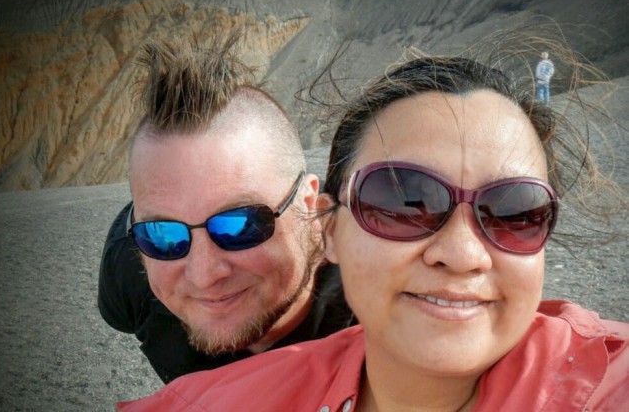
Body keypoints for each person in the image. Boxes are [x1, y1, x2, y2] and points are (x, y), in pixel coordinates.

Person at [117, 45, 628, 411]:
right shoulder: (126, 281)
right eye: (404, 202)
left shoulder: (605, 380)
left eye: (514, 210)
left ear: (321, 223)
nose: (462, 253)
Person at [98, 34, 354, 384]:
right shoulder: (127, 273)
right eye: (162, 235)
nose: (204, 276)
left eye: (240, 225)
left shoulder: (377, 299)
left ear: (314, 211)